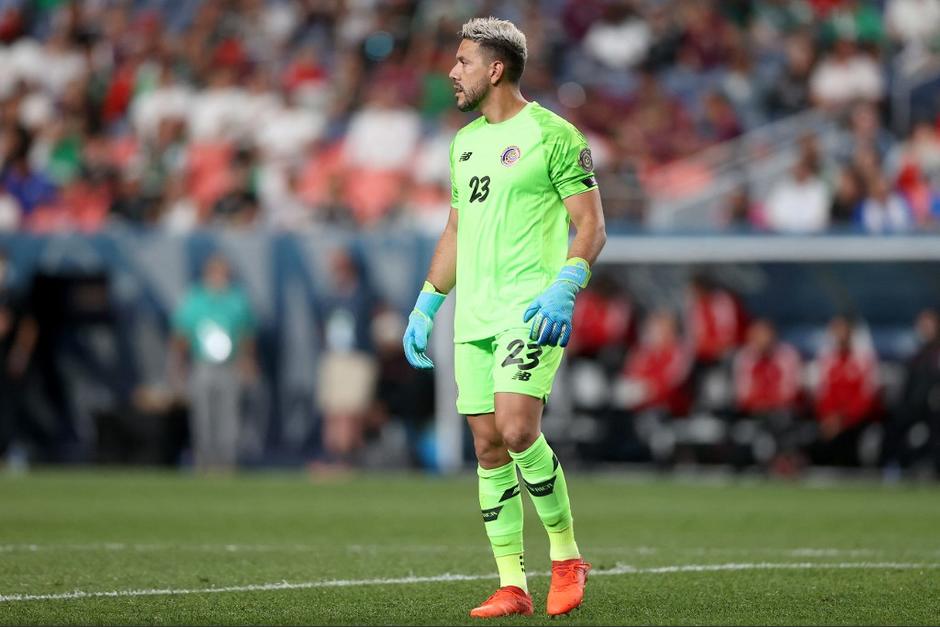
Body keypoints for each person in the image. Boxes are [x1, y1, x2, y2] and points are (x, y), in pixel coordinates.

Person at [401, 17, 606, 619]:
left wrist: (568, 283)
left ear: (495, 69)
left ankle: (567, 558)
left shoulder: (554, 134)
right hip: (474, 317)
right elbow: (458, 229)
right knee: (489, 448)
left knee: (519, 430)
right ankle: (512, 584)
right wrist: (426, 302)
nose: (451, 71)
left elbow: (590, 225)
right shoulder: (463, 144)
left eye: (462, 61)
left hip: (529, 312)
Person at [169, 253, 257, 473]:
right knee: (202, 416)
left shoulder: (237, 300)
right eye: (216, 272)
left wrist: (247, 362)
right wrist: (178, 366)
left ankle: (227, 461)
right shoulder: (195, 299)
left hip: (229, 365)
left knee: (229, 416)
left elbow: (246, 335)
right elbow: (182, 334)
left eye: (224, 273)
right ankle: (204, 460)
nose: (220, 278)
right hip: (202, 364)